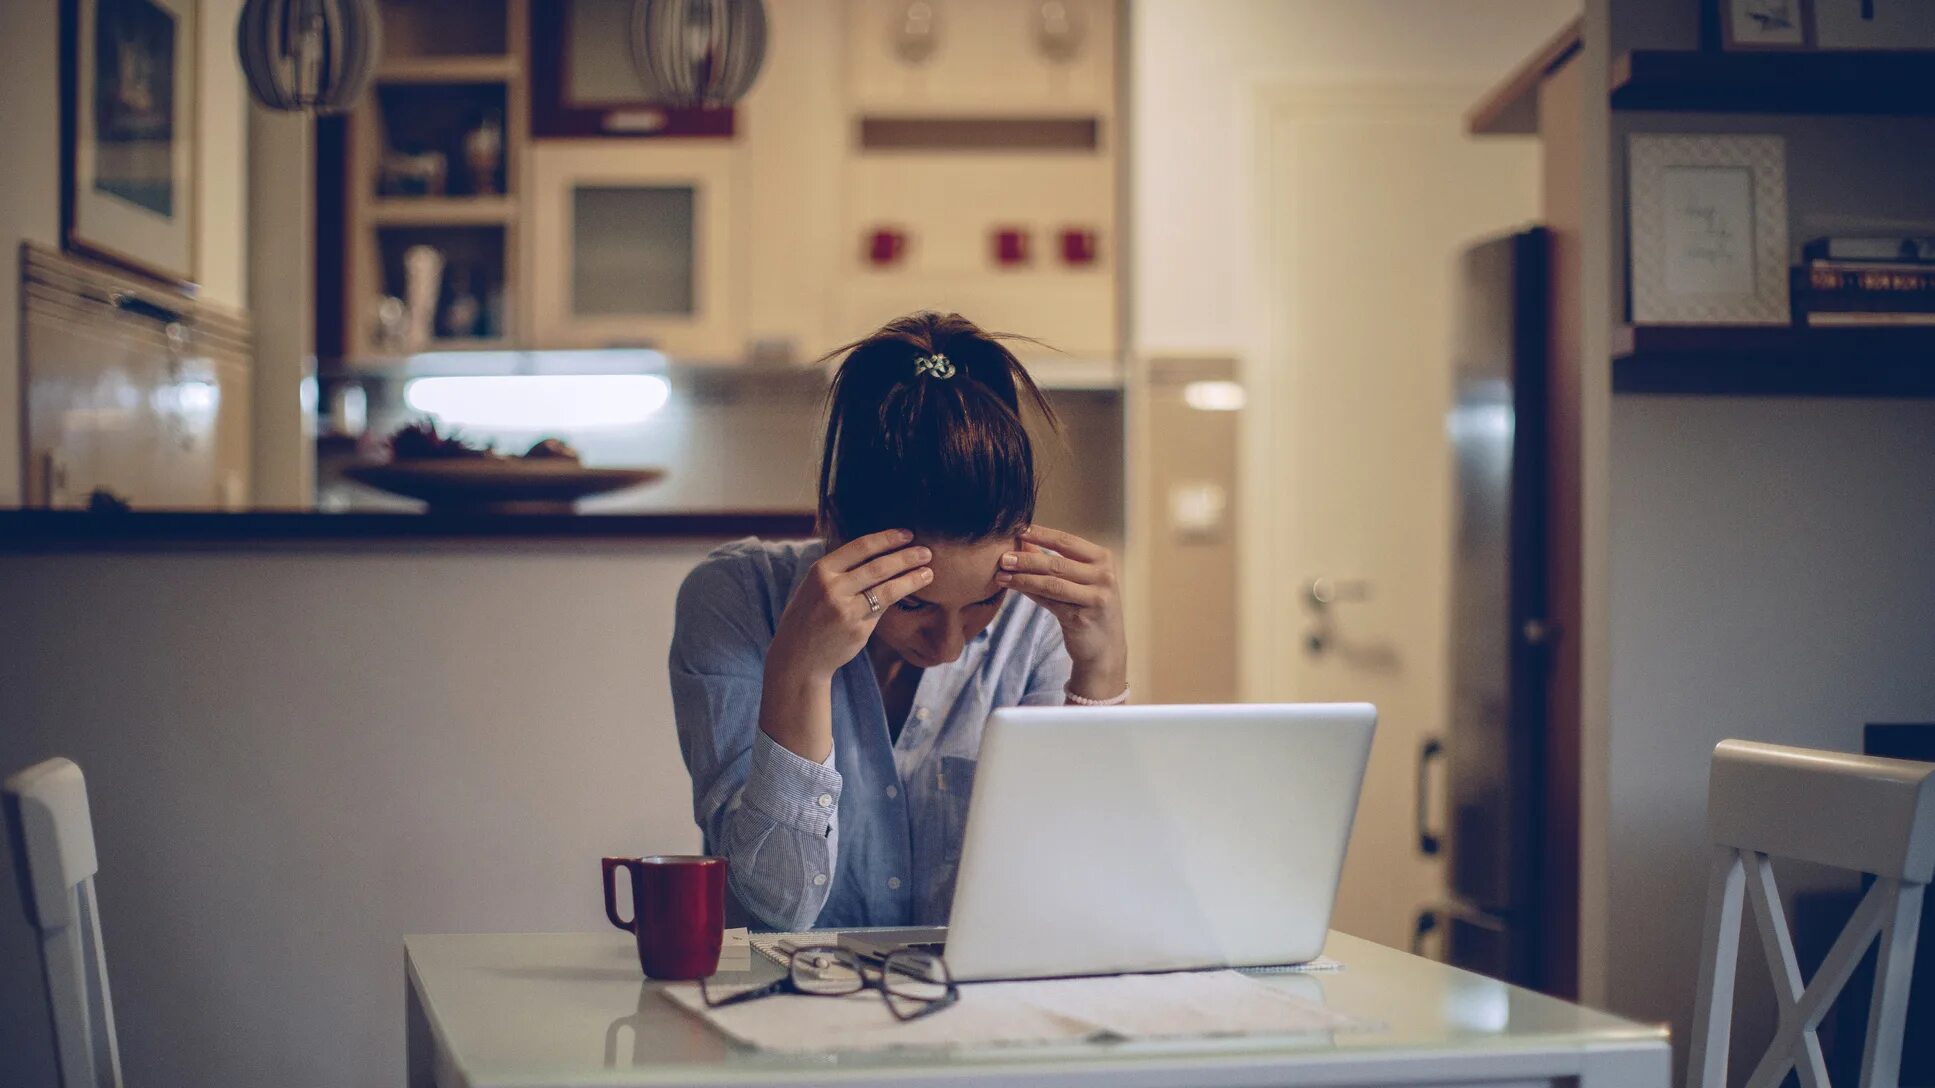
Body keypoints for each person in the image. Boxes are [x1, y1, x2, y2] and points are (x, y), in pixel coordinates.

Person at [669, 311, 1130, 931]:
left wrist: (1100, 677)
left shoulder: (1037, 619)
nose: (946, 648)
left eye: (981, 606)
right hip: (781, 1009)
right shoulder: (735, 600)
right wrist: (800, 671)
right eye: (912, 604)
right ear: (835, 528)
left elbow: (1077, 901)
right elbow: (771, 907)